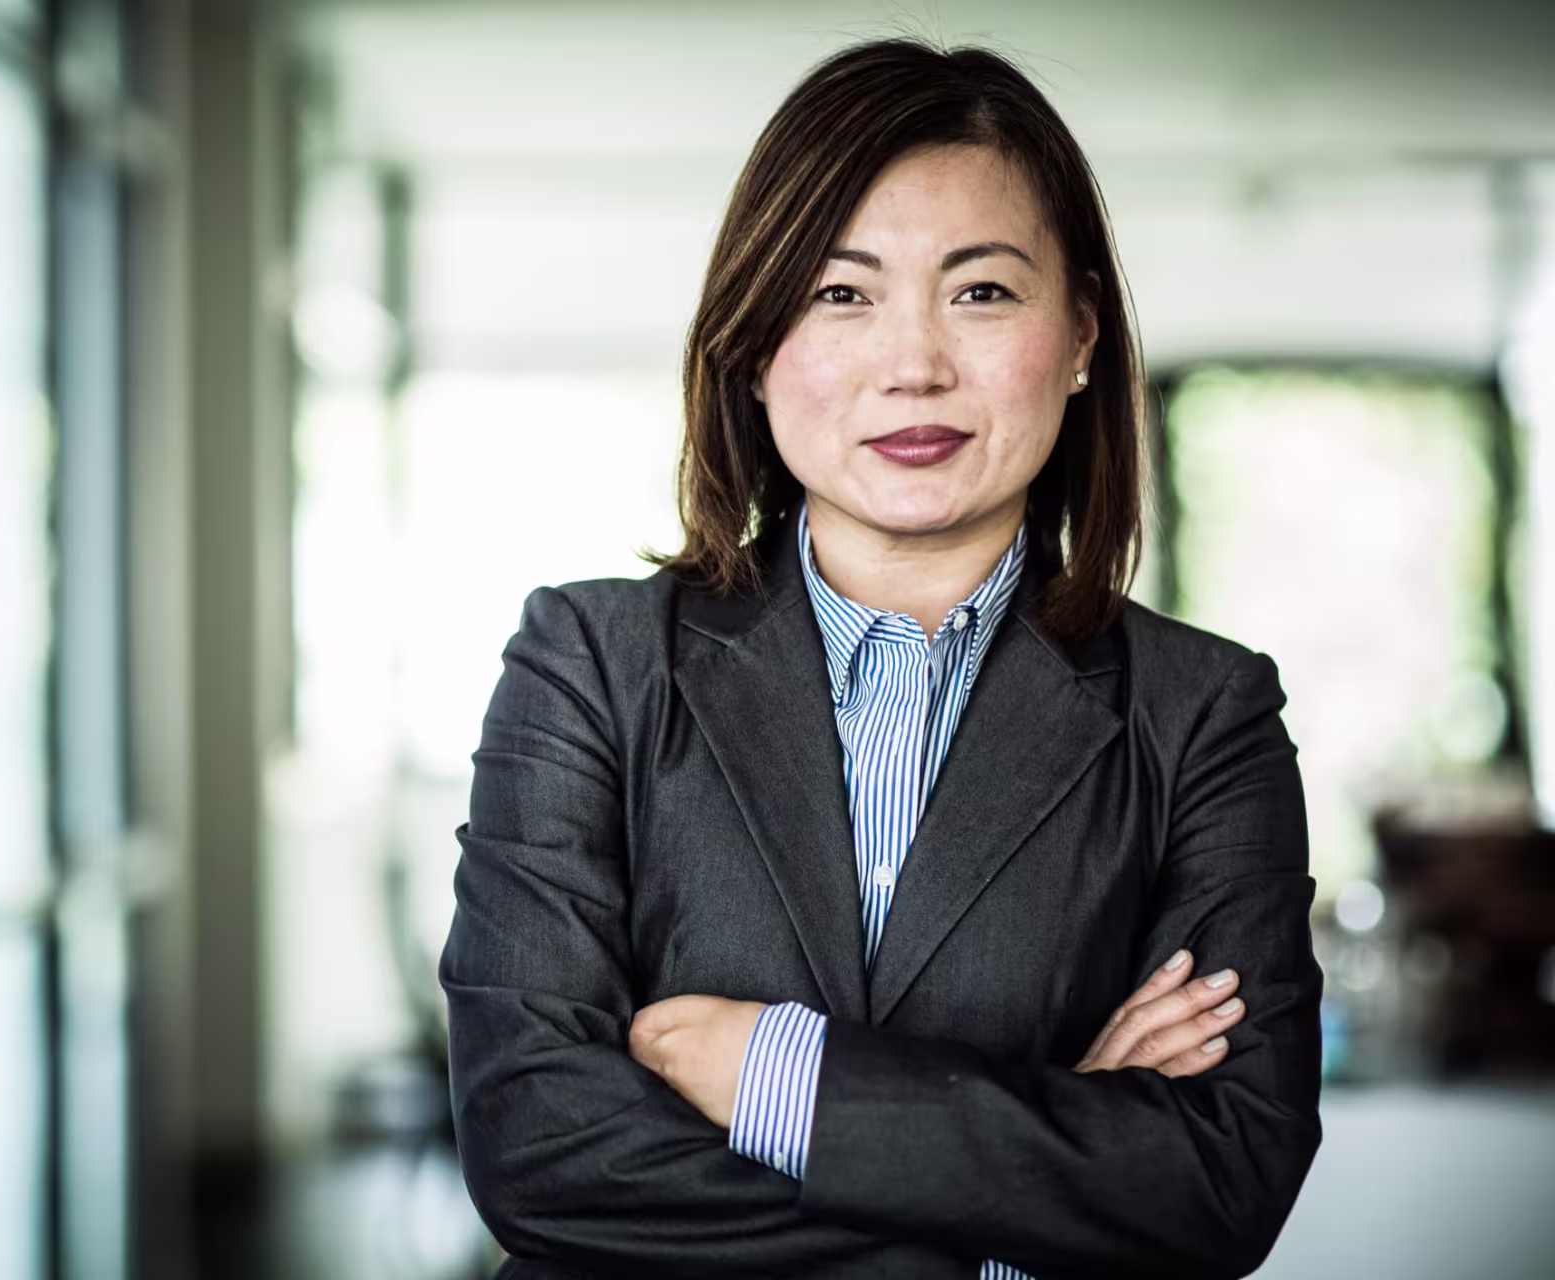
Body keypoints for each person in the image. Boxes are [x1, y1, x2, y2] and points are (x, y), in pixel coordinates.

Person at [439, 37, 1322, 1280]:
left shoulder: (1204, 715)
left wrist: (781, 1077)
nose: (914, 362)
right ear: (753, 344)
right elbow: (538, 1145)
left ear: (1079, 336)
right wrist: (1033, 1189)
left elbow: (1222, 1177)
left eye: (982, 292)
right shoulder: (591, 663)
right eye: (840, 294)